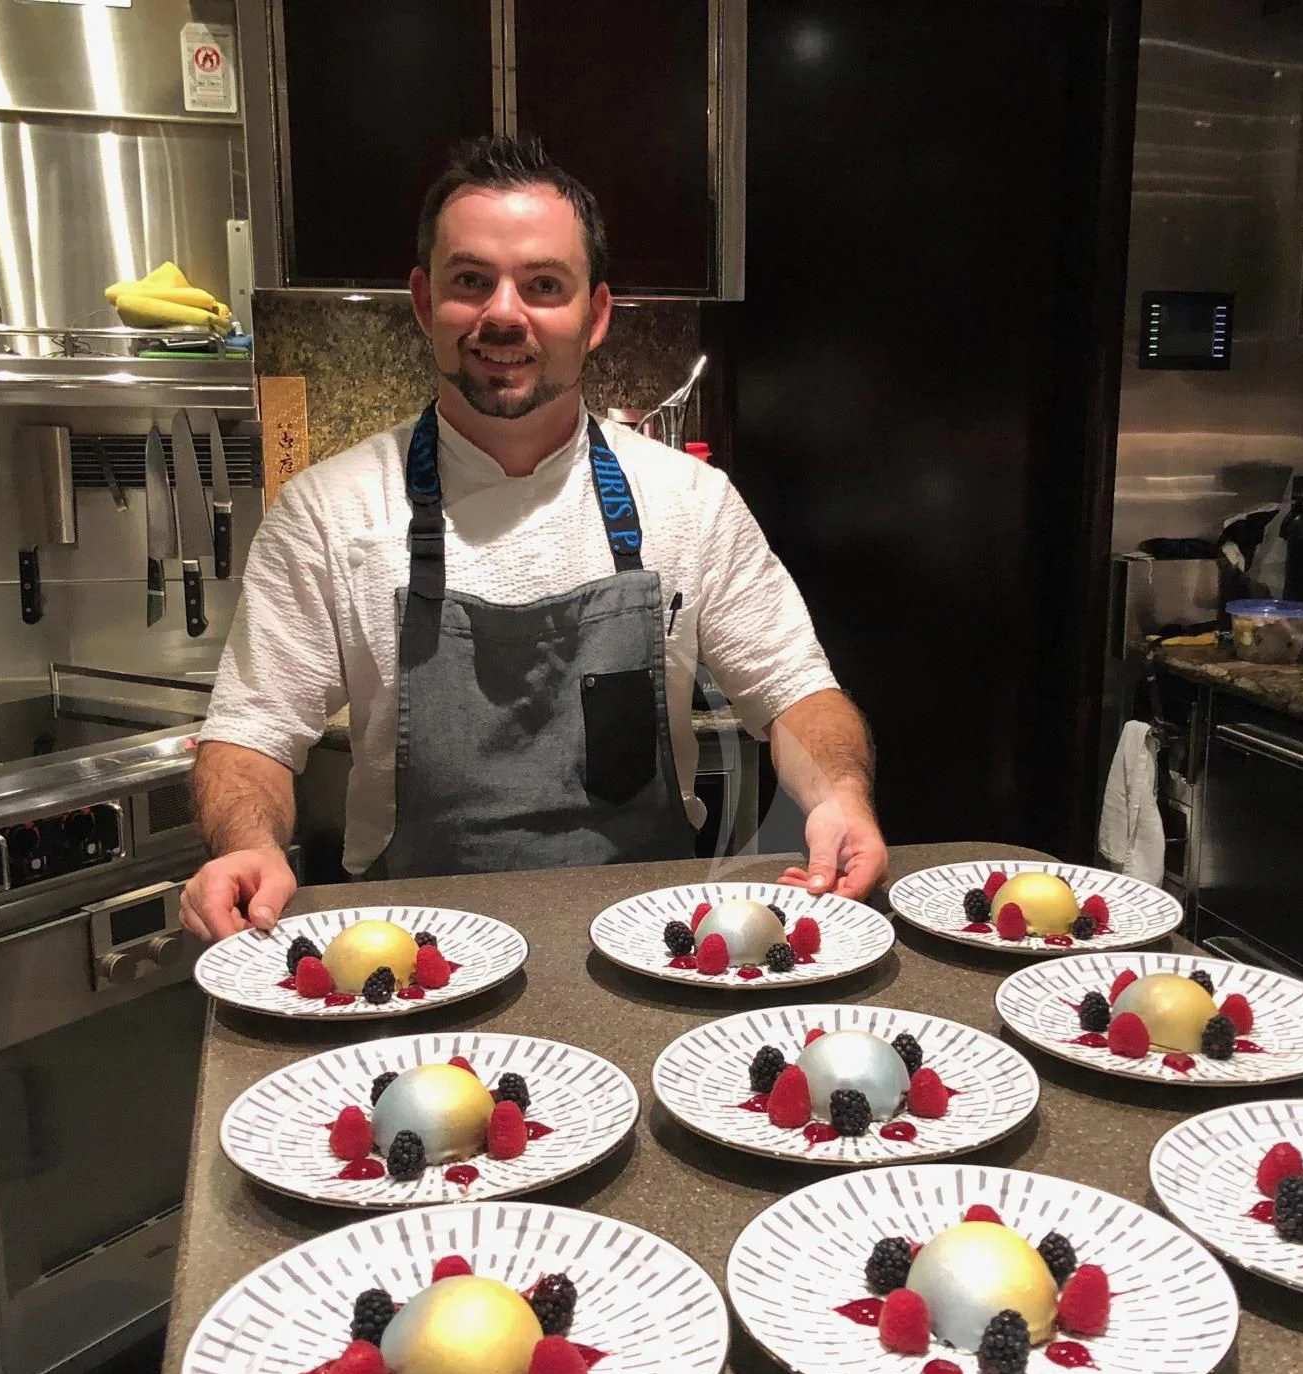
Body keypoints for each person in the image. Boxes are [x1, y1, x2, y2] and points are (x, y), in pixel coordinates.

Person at [181, 136, 886, 940]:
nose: (504, 314)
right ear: (423, 303)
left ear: (595, 314)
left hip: (654, 942)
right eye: (471, 282)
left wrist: (841, 798)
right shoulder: (327, 512)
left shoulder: (690, 501)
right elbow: (249, 735)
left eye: (544, 285)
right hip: (415, 957)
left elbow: (796, 690)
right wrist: (248, 843)